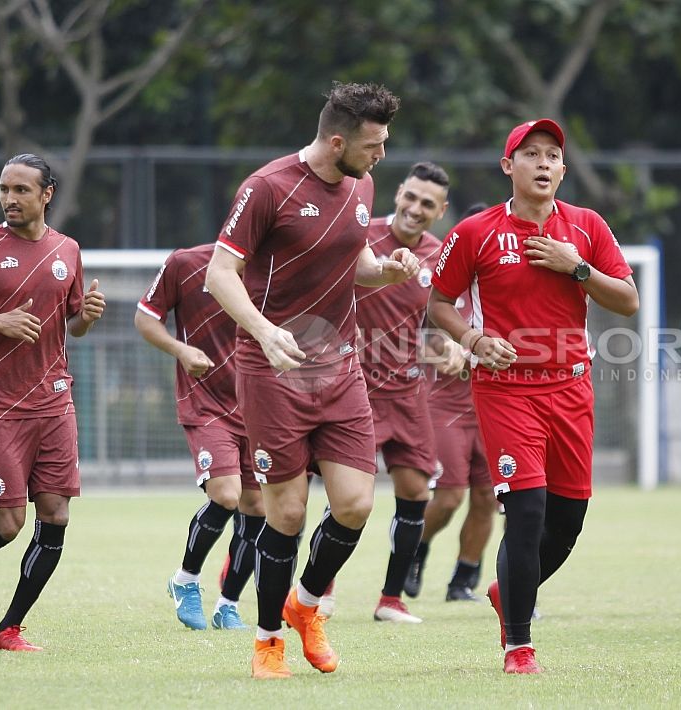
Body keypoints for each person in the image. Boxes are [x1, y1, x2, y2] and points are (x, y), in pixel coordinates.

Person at [204, 81, 415, 680]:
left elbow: (357, 267)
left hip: (340, 367)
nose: (381, 157)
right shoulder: (266, 187)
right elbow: (221, 275)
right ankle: (268, 640)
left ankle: (304, 605)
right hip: (273, 373)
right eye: (374, 145)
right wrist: (266, 334)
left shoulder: (362, 185)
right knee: (288, 513)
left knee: (355, 504)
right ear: (338, 140)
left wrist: (388, 271)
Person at [428, 119, 639, 674]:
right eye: (531, 155)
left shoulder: (587, 226)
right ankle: (518, 645)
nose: (544, 164)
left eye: (553, 156)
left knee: (568, 520)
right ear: (508, 167)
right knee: (526, 511)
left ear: (563, 170)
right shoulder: (475, 231)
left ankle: (509, 590)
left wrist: (579, 269)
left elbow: (627, 300)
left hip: (572, 387)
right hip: (505, 390)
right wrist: (473, 340)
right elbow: (438, 303)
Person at [0, 153, 105, 651]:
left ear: (46, 194)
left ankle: (8, 630)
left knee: (55, 516)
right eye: (5, 189)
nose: (10, 199)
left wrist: (88, 316)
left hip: (55, 402)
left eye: (21, 190)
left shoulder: (68, 250)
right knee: (7, 525)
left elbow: (72, 323)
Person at [135, 243, 266, 631]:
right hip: (206, 403)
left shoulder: (274, 269)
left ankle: (228, 606)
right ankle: (186, 581)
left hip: (259, 406)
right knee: (227, 495)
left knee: (257, 508)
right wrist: (181, 350)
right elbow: (145, 319)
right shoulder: (186, 263)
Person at [354, 161, 451, 623]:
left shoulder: (438, 255)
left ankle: (390, 600)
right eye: (411, 197)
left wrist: (449, 346)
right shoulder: (361, 236)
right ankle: (321, 589)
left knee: (416, 493)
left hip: (408, 392)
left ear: (440, 210)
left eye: (428, 203)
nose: (416, 208)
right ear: (398, 194)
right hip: (352, 388)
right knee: (346, 497)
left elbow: (436, 322)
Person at [406, 202, 497, 604]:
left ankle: (462, 582)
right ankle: (413, 553)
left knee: (489, 498)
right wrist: (445, 351)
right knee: (449, 496)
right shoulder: (445, 286)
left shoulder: (509, 283)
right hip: (447, 409)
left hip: (495, 408)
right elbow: (413, 340)